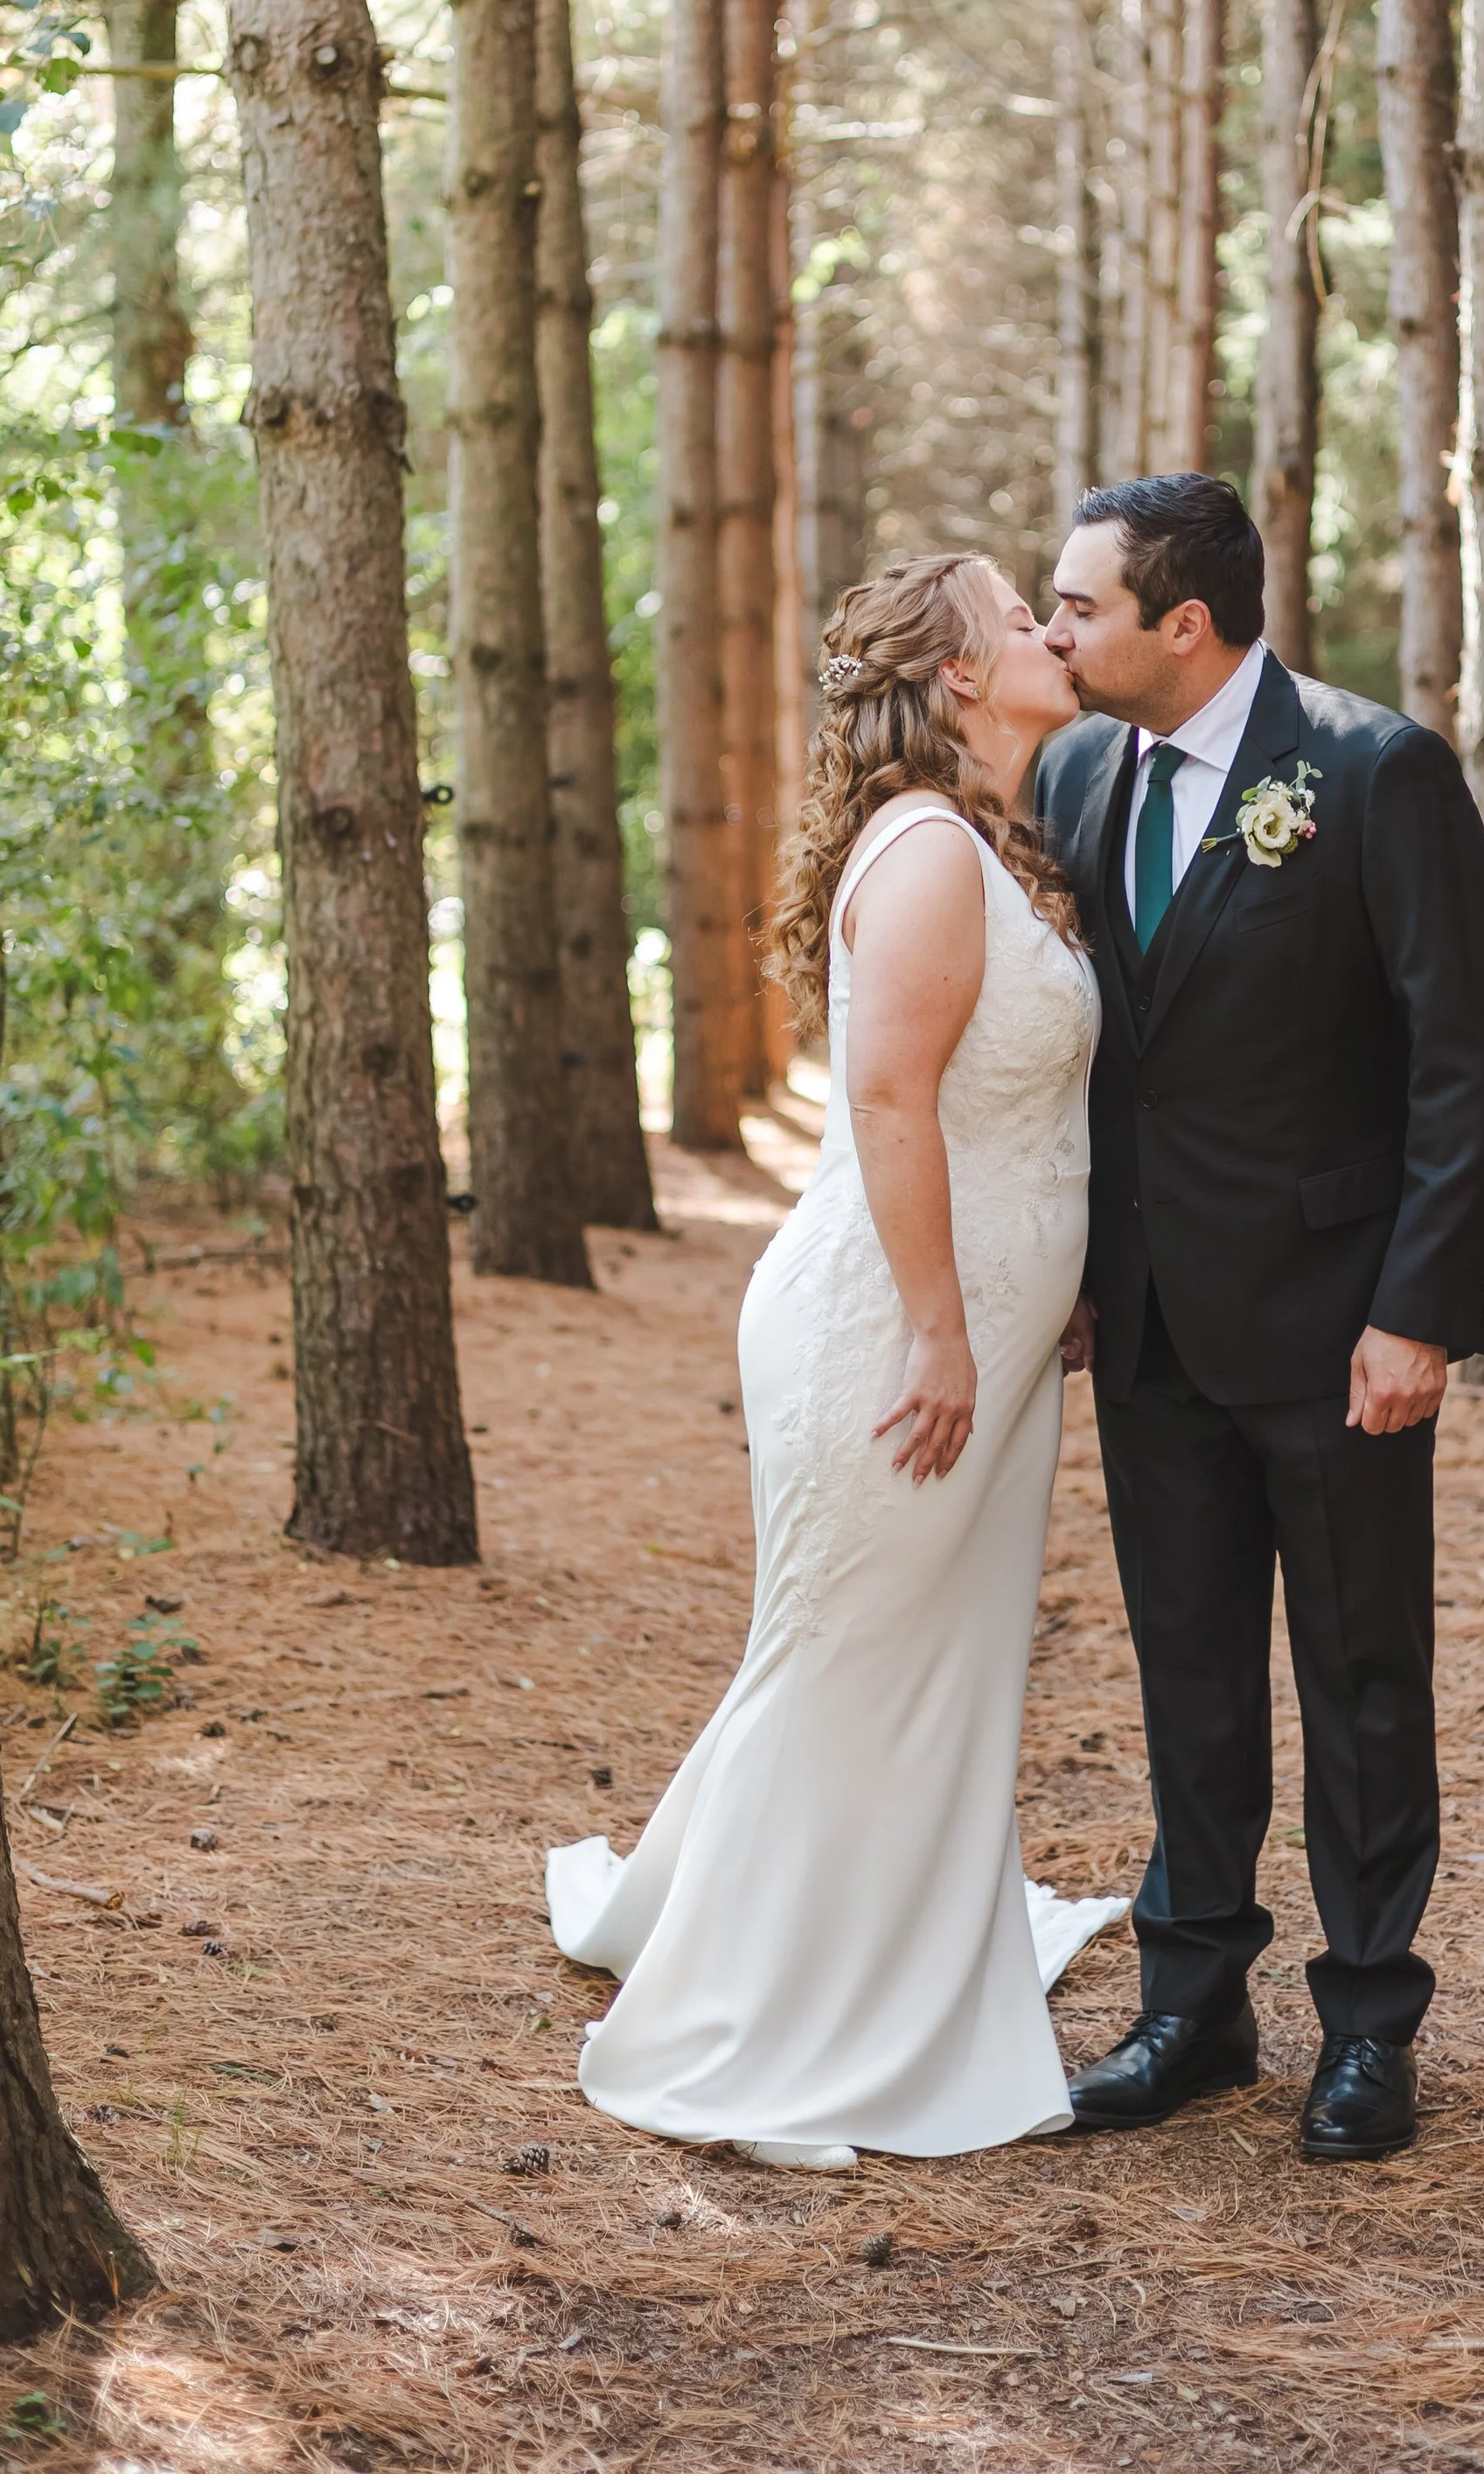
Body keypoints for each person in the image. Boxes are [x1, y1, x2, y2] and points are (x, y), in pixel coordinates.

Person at [546, 552, 1125, 2168]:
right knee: (854, 1648)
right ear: (953, 677)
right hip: (895, 1328)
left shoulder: (996, 844)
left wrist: (1051, 1288)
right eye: (1022, 617)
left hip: (990, 1330)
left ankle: (894, 1950)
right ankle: (776, 1998)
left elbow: (1013, 1110)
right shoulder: (932, 850)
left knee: (932, 1653)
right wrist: (944, 1326)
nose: (1049, 632)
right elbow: (885, 1103)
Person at [1037, 472, 1484, 2161]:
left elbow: (1469, 1060)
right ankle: (1195, 2006)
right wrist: (1079, 1270)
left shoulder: (1374, 770)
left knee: (1363, 1675)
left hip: (1339, 1327)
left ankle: (1372, 2020)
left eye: (1081, 603)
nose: (1056, 630)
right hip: (1153, 1323)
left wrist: (1422, 1311)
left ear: (1186, 621)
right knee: (1186, 1672)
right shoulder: (1081, 767)